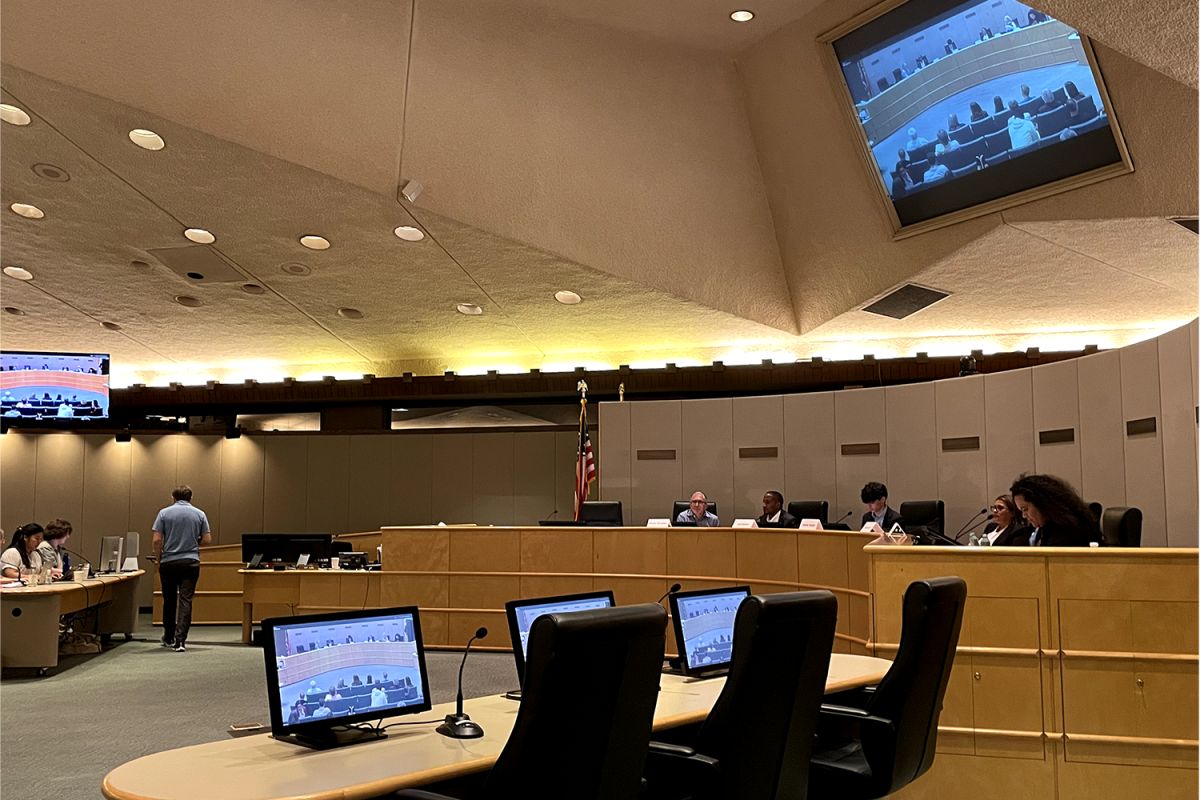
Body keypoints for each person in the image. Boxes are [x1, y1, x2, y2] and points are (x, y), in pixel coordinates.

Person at [152, 485, 211, 652]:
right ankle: (181, 641)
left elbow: (157, 540)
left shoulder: (164, 513)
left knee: (169, 600)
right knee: (186, 600)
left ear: (173, 498)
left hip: (169, 562)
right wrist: (193, 542)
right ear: (190, 498)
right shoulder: (200, 514)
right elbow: (207, 539)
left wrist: (159, 559)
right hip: (190, 562)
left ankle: (168, 636)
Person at [1010, 474, 1101, 546]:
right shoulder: (1042, 527)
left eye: (1025, 509)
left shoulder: (1067, 531)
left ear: (1041, 503)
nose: (1024, 515)